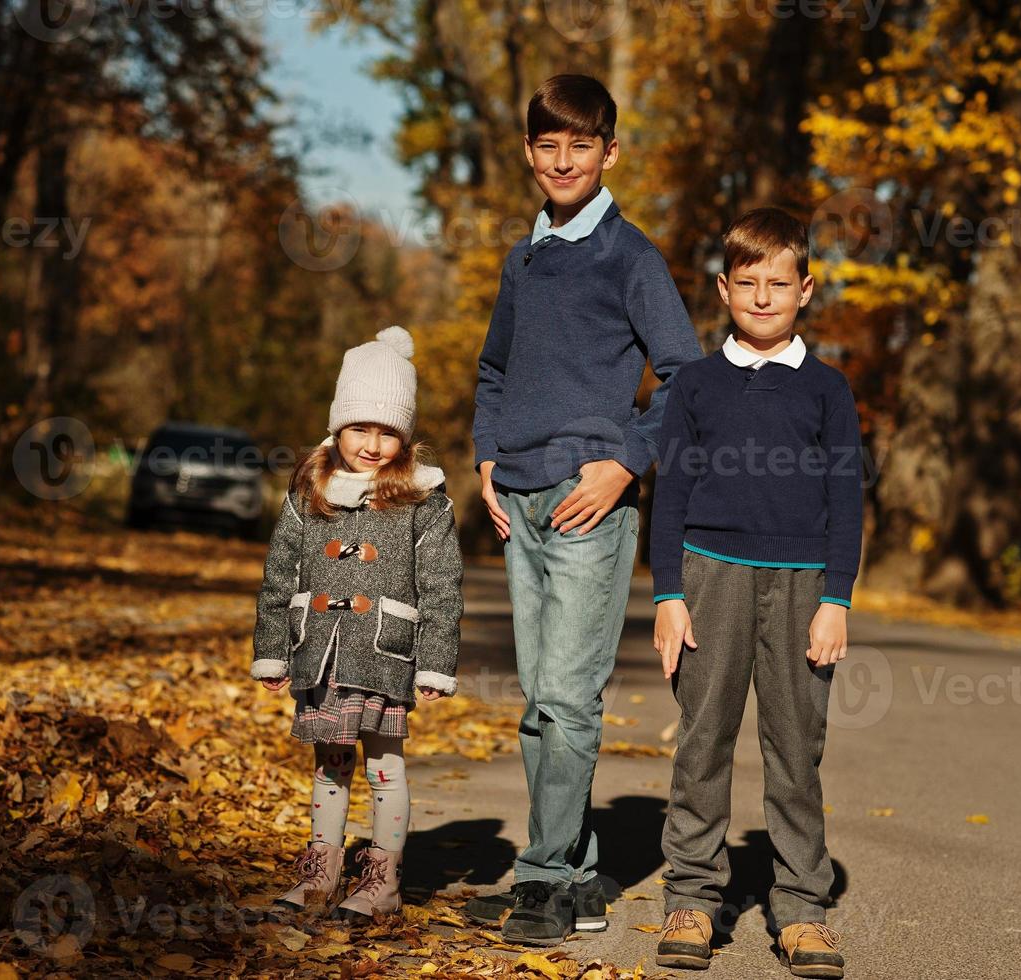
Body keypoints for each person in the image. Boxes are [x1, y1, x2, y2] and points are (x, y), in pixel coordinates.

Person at [465, 73, 703, 947]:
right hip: (515, 502)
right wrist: (487, 456)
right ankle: (571, 876)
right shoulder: (521, 261)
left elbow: (685, 378)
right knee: (539, 701)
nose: (562, 160)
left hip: (584, 505)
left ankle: (540, 882)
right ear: (529, 153)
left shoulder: (630, 258)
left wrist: (622, 464)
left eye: (580, 145)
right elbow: (493, 372)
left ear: (609, 152)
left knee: (567, 699)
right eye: (547, 145)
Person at [649, 207, 863, 978]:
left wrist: (835, 598)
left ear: (804, 289)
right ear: (722, 288)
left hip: (804, 586)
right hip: (708, 575)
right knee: (701, 742)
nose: (763, 297)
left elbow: (847, 498)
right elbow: (668, 491)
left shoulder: (827, 390)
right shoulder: (696, 385)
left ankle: (801, 910)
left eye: (779, 283)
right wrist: (667, 593)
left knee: (794, 752)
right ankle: (693, 899)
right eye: (747, 284)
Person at [251, 325, 464, 923]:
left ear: (405, 436)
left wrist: (436, 663)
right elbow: (279, 576)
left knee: (383, 765)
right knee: (329, 764)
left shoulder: (424, 502)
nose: (371, 445)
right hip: (319, 651)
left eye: (387, 432)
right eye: (359, 428)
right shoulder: (309, 492)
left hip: (384, 654)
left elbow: (443, 588)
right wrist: (273, 651)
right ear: (338, 426)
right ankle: (320, 875)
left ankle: (381, 881)